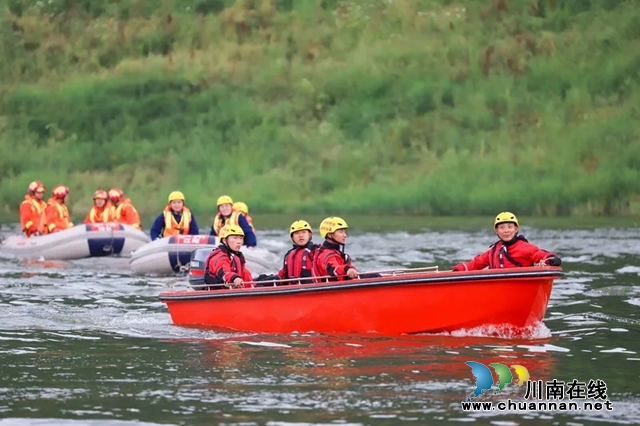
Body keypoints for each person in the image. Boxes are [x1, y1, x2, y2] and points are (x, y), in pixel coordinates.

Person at [451, 211, 562, 271]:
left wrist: (551, 259)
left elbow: (540, 255)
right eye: (502, 228)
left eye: (510, 227)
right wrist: (459, 269)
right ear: (497, 231)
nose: (506, 231)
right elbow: (476, 263)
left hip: (520, 289)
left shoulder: (524, 247)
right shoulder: (493, 251)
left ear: (516, 229)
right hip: (497, 292)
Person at [256, 220, 318, 286]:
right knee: (261, 281)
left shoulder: (315, 252)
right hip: (292, 289)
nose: (300, 235)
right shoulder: (290, 254)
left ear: (310, 234)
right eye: (296, 233)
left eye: (303, 232)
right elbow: (282, 275)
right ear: (292, 237)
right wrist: (266, 280)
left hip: (309, 288)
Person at [203, 225, 253, 290]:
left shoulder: (235, 256)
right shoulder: (219, 257)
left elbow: (246, 276)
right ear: (224, 240)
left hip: (237, 291)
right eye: (235, 238)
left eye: (241, 238)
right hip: (221, 294)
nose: (239, 242)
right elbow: (224, 272)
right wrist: (234, 278)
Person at [312, 216, 360, 282]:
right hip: (332, 289)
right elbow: (334, 268)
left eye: (344, 232)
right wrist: (347, 269)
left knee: (373, 276)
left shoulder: (334, 252)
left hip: (340, 285)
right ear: (329, 235)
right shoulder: (327, 255)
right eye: (341, 232)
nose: (345, 235)